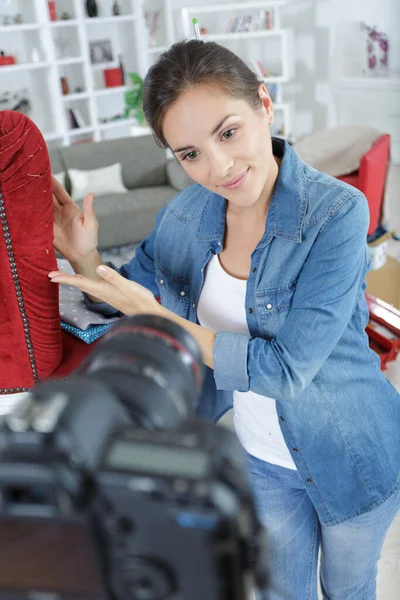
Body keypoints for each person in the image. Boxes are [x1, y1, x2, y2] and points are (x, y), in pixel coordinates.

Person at [49, 40, 400, 599]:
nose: (218, 168)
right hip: (261, 458)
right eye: (189, 154)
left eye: (228, 132)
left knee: (348, 588)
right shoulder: (185, 214)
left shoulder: (336, 212)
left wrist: (158, 314)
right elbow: (137, 291)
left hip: (353, 447)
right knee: (284, 592)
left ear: (264, 103)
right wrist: (84, 257)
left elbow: (286, 371)